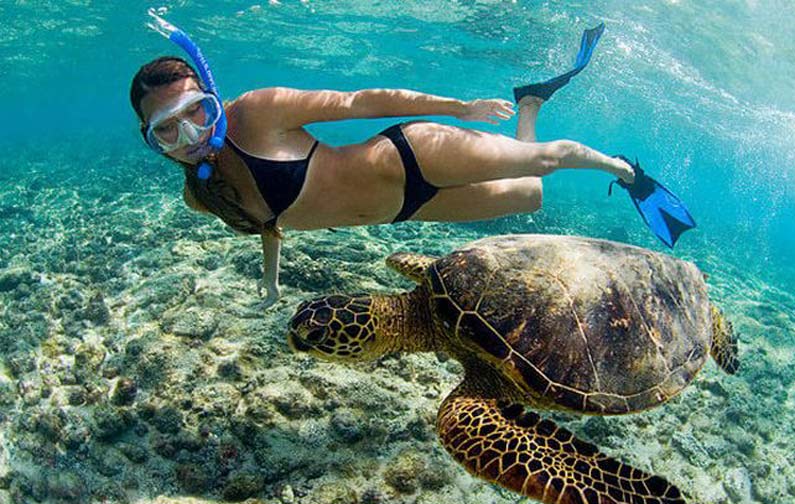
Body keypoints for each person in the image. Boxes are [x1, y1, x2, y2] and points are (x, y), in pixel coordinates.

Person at [131, 22, 635, 306]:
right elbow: (265, 220)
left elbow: (359, 103)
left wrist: (458, 109)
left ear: (212, 99)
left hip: (411, 155)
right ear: (151, 140)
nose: (191, 133)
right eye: (167, 129)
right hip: (409, 209)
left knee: (544, 163)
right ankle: (530, 106)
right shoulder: (200, 194)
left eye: (197, 111)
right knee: (532, 195)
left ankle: (617, 168)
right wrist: (271, 280)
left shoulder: (257, 112)